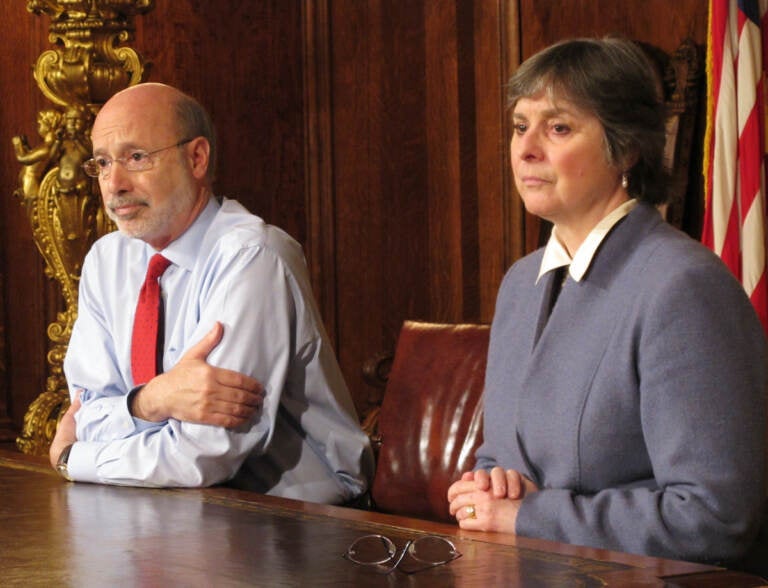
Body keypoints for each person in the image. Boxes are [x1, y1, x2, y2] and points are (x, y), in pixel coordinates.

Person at [447, 37, 767, 565]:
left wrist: (528, 516)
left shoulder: (682, 286)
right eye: (520, 125)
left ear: (627, 148)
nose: (526, 148)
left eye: (559, 127)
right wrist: (483, 488)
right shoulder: (520, 284)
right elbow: (503, 458)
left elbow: (715, 517)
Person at [49, 82, 374, 505]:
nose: (115, 183)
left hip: (298, 519)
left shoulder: (253, 256)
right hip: (170, 505)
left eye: (136, 157)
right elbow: (85, 413)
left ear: (196, 157)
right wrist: (150, 401)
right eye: (103, 163)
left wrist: (76, 459)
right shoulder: (106, 260)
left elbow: (206, 454)